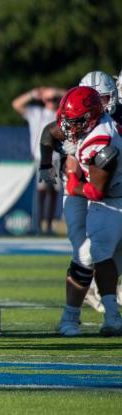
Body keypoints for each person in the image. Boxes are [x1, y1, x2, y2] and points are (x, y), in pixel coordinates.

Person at [57, 86, 122, 336]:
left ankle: (73, 318)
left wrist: (73, 184)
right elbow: (54, 131)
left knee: (91, 255)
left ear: (91, 116)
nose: (67, 127)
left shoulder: (100, 141)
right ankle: (109, 317)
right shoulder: (99, 124)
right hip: (113, 199)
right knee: (98, 257)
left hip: (110, 203)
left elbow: (96, 191)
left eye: (74, 121)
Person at [75, 71, 122, 313]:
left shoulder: (108, 125)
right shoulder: (88, 121)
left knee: (102, 257)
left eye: (104, 97)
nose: (102, 103)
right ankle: (74, 313)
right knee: (87, 254)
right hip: (102, 197)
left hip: (106, 194)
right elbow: (54, 131)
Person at [12, 86, 65, 235]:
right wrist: (32, 93)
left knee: (54, 193)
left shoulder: (61, 114)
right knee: (42, 192)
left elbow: (72, 96)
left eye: (55, 99)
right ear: (43, 100)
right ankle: (38, 225)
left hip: (56, 158)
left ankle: (49, 225)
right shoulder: (37, 113)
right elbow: (16, 104)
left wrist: (57, 92)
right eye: (49, 99)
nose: (52, 102)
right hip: (43, 158)